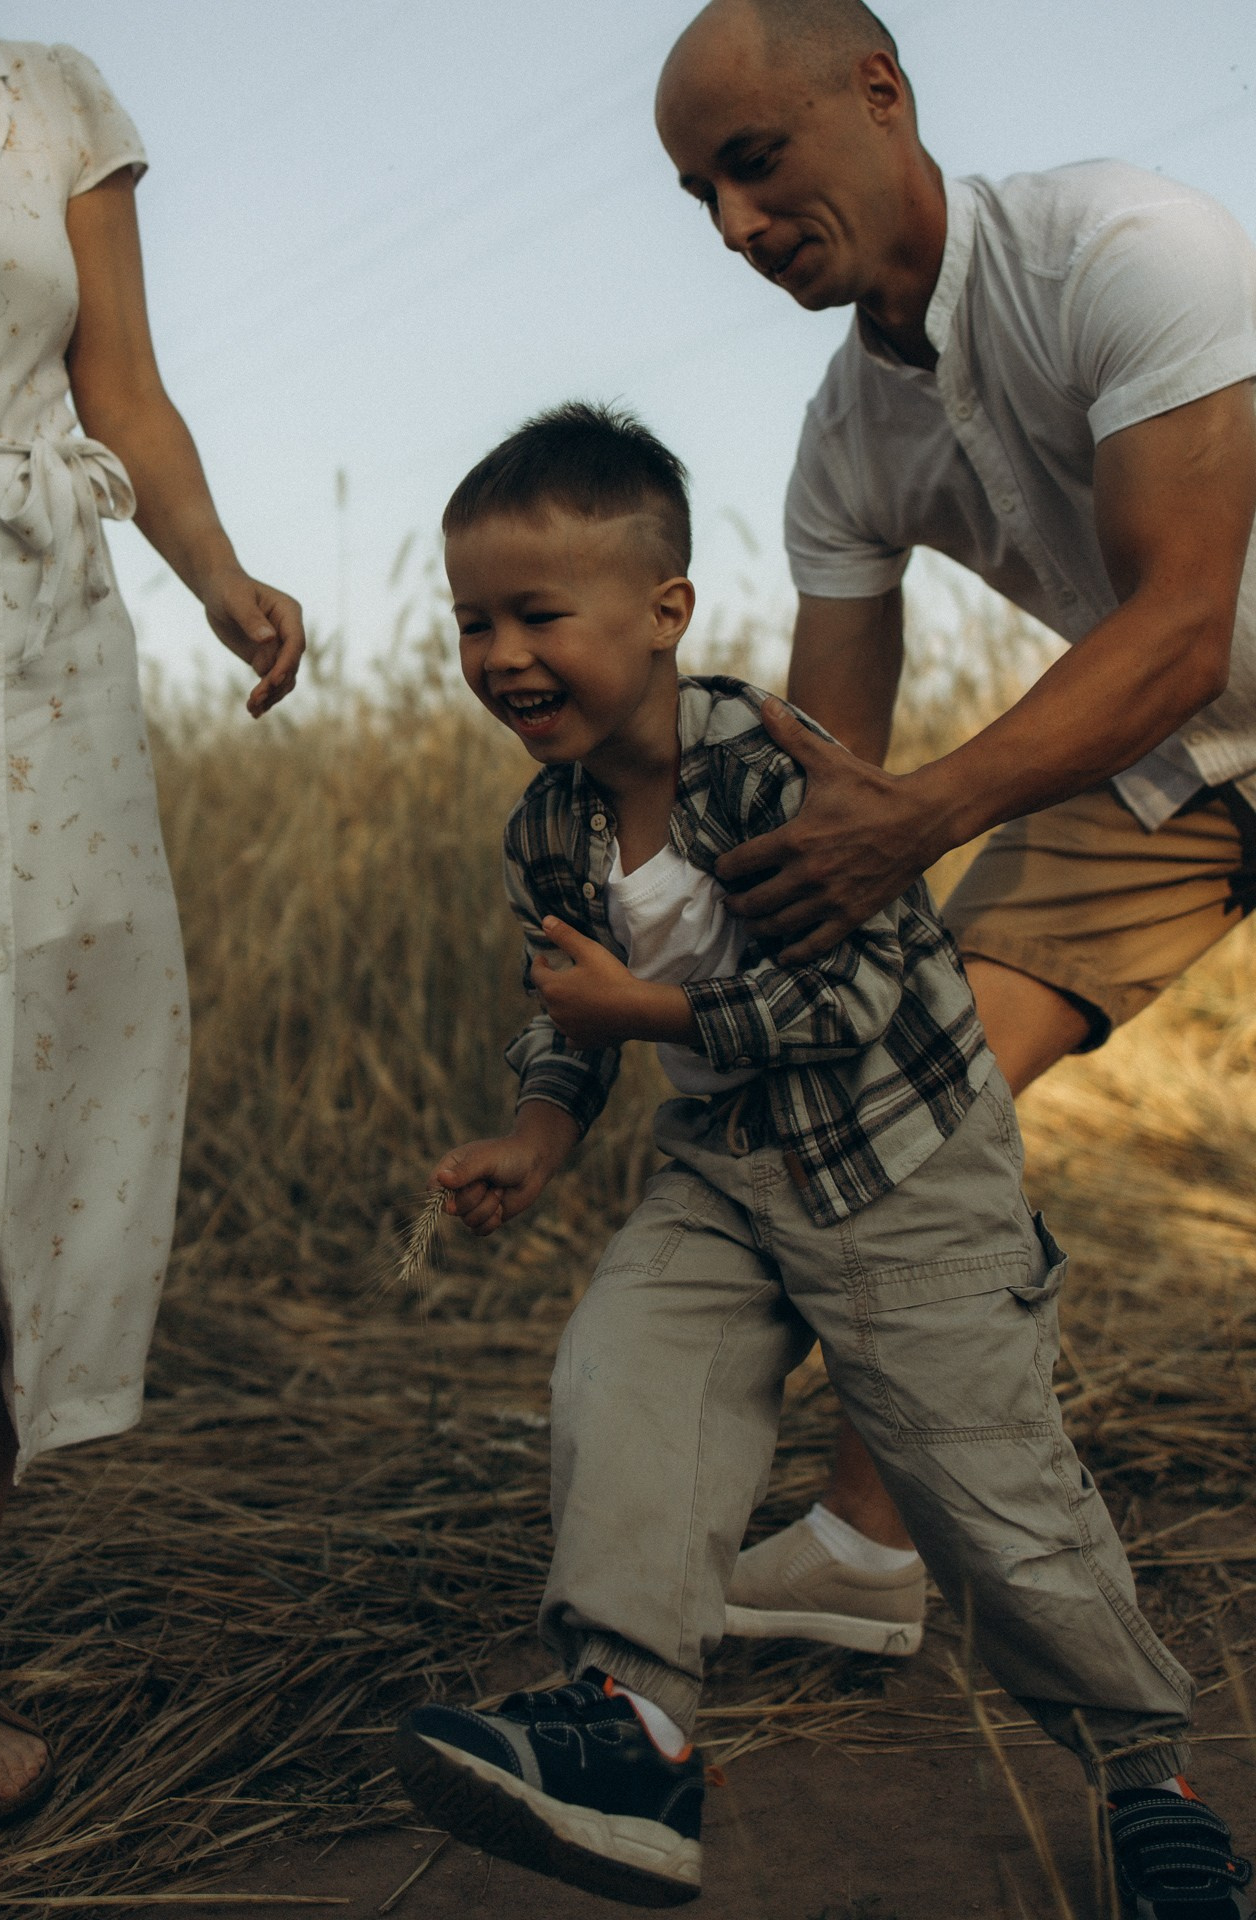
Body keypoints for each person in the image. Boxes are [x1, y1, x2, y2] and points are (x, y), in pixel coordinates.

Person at [391, 403, 1250, 1917]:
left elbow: (847, 999)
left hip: (902, 1172)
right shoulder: (549, 828)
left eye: (537, 614)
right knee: (622, 1372)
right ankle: (633, 1726)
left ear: (666, 613)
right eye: (472, 623)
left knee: (993, 1503)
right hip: (721, 1167)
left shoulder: (784, 768)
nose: (500, 655)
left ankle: (1147, 1779)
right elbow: (569, 1022)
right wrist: (538, 1130)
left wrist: (642, 1005)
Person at [654, 0, 1256, 1667]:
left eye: (754, 164)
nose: (736, 228)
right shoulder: (844, 443)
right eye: (700, 197)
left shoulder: (1131, 248)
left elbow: (1185, 624)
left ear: (881, 92)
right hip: (1164, 775)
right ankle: (863, 1540)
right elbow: (832, 774)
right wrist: (710, 957)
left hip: (1167, 687)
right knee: (910, 1103)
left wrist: (918, 815)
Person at [0, 31, 304, 1877]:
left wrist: (221, 578)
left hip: (37, 648)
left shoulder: (50, 95)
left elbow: (129, 393)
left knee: (27, 1159)